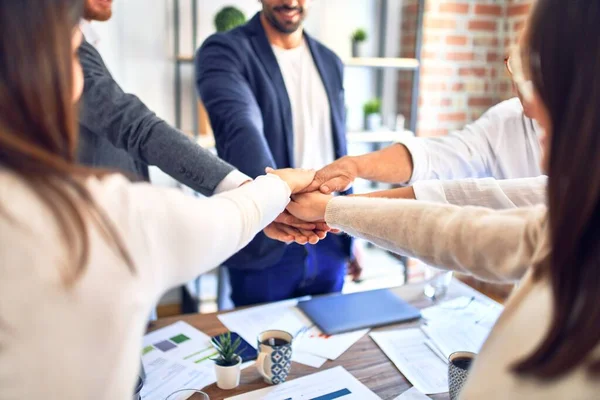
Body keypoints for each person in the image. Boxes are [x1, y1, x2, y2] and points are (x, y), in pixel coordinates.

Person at [286, 0, 600, 397]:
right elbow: (451, 211)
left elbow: (464, 215)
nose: (527, 98)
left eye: (532, 70)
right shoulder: (567, 217)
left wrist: (330, 209)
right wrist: (338, 196)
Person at [0, 0, 313, 398]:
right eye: (73, 51)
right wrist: (281, 185)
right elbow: (219, 219)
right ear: (49, 70)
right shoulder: (109, 221)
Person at [78, 0, 315, 244]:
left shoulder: (327, 59)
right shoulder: (55, 48)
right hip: (88, 235)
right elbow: (135, 126)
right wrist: (257, 195)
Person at [196, 0, 359, 307]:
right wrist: (277, 205)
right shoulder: (225, 50)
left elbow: (338, 146)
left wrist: (353, 230)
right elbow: (240, 127)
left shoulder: (330, 61)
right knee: (258, 351)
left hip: (330, 238)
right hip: (266, 239)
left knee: (327, 348)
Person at [306, 95, 546, 209]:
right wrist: (355, 166)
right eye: (514, 63)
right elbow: (437, 156)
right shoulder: (506, 119)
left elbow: (473, 196)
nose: (518, 81)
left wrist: (336, 209)